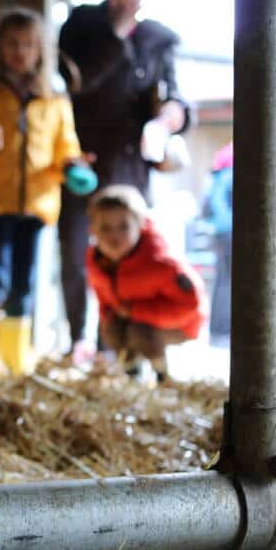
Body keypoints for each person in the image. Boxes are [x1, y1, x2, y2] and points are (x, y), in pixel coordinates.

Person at [57, 0, 193, 362]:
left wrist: (172, 117)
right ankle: (77, 338)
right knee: (76, 251)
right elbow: (74, 82)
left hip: (133, 166)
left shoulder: (158, 38)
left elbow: (175, 97)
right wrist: (115, 34)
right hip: (84, 159)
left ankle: (111, 346)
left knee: (128, 256)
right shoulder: (82, 25)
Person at [0, 8, 83, 379]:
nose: (19, 51)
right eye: (11, 43)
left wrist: (74, 166)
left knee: (24, 287)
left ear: (40, 50)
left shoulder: (54, 101)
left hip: (37, 206)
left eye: (27, 44)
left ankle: (15, 366)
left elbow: (65, 149)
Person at [86, 185, 207, 382]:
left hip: (180, 324)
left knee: (139, 332)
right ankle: (132, 374)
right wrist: (109, 316)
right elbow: (102, 296)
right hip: (131, 316)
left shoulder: (160, 261)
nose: (113, 236)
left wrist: (136, 311)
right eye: (105, 228)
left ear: (140, 225)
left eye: (123, 226)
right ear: (92, 230)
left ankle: (163, 376)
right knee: (111, 328)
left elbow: (191, 305)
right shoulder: (96, 259)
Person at [203, 143, 233, 344]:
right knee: (229, 282)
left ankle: (218, 330)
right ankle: (222, 331)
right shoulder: (230, 176)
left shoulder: (219, 176)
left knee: (223, 280)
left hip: (221, 234)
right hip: (230, 233)